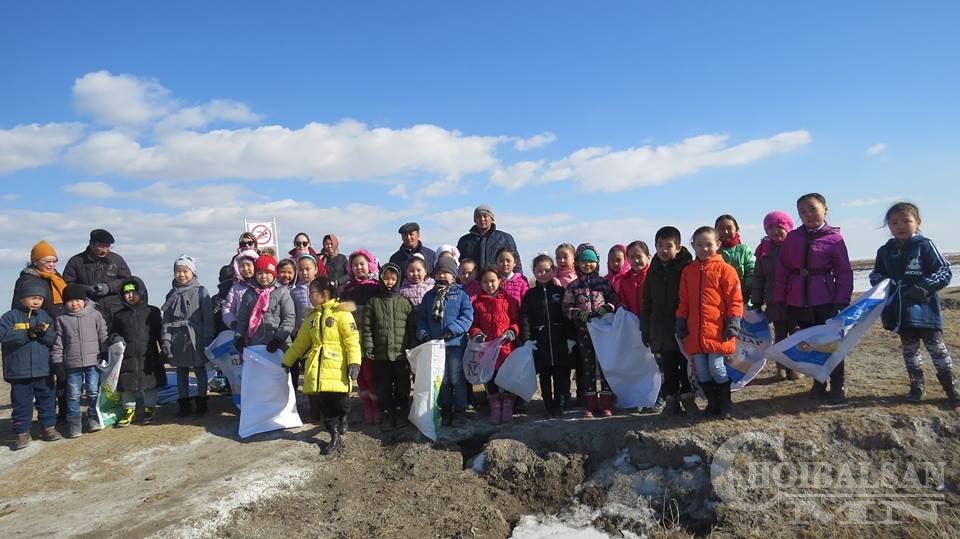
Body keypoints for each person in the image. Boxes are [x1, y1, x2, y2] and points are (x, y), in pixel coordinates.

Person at [870, 202, 958, 408]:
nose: (900, 226)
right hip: (900, 312)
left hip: (925, 310)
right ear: (888, 226)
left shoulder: (925, 245)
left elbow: (944, 271)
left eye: (906, 221)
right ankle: (917, 387)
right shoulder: (885, 251)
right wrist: (883, 284)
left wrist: (924, 287)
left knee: (937, 348)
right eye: (894, 222)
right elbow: (877, 273)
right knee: (909, 350)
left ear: (918, 222)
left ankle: (951, 387)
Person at [774, 193, 853, 403]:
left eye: (812, 208)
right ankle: (819, 383)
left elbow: (844, 272)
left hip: (825, 299)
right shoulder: (793, 237)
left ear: (825, 209)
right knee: (812, 344)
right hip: (799, 300)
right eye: (802, 211)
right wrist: (780, 298)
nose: (808, 214)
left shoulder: (835, 238)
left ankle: (838, 385)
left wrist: (842, 299)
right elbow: (782, 269)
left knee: (831, 344)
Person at [282, 276, 361, 455]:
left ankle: (344, 415)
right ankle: (334, 437)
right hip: (318, 368)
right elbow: (300, 343)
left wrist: (354, 361)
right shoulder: (312, 318)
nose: (309, 296)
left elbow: (352, 340)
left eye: (312, 293)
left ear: (323, 295)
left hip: (338, 367)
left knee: (341, 401)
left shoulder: (342, 314)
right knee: (325, 404)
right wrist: (288, 360)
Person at [676, 226, 743, 420]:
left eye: (709, 244)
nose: (704, 249)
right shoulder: (688, 271)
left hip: (717, 330)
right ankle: (712, 404)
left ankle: (726, 403)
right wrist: (681, 320)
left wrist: (734, 321)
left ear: (718, 245)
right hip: (695, 331)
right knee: (702, 370)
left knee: (716, 367)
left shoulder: (726, 270)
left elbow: (734, 299)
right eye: (699, 245)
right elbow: (684, 300)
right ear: (693, 246)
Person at [640, 227, 697, 417]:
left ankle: (689, 401)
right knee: (668, 369)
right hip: (660, 330)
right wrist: (645, 328)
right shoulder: (652, 271)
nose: (664, 250)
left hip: (682, 328)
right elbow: (647, 302)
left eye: (669, 246)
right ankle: (671, 402)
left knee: (685, 368)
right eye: (659, 246)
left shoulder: (687, 268)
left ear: (678, 247)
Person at [1, 279, 61, 450]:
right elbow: (4, 337)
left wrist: (43, 335)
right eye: (33, 297)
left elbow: (55, 339)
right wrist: (26, 334)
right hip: (19, 372)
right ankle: (22, 433)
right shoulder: (10, 317)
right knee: (21, 403)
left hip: (44, 370)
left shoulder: (45, 317)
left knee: (47, 400)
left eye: (40, 298)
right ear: (22, 298)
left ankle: (48, 428)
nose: (36, 301)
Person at [416, 257, 475, 426]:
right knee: (442, 379)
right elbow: (421, 318)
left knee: (457, 378)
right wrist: (424, 333)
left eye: (446, 272)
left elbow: (467, 317)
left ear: (454, 275)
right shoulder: (429, 296)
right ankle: (446, 408)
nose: (442, 275)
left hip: (455, 344)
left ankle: (460, 409)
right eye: (439, 272)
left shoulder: (461, 294)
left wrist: (452, 330)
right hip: (436, 346)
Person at [563, 244, 619, 418]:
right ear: (577, 263)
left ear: (597, 262)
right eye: (583, 261)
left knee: (604, 366)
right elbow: (566, 307)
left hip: (604, 333)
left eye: (591, 261)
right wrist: (579, 314)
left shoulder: (604, 283)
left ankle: (607, 403)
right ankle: (590, 404)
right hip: (584, 332)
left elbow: (615, 301)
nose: (587, 265)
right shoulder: (573, 286)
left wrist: (607, 308)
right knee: (588, 367)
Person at [362, 263, 415, 431]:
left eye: (393, 278)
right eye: (386, 278)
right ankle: (386, 413)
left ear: (398, 279)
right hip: (381, 355)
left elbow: (411, 328)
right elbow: (367, 327)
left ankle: (401, 412)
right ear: (380, 278)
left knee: (402, 386)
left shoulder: (405, 303)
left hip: (401, 355)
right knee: (383, 386)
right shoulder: (373, 302)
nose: (389, 282)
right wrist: (369, 346)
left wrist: (411, 348)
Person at [161, 255, 215, 418]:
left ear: (193, 272)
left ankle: (202, 402)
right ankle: (184, 403)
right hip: (177, 338)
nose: (181, 275)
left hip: (196, 337)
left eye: (185, 271)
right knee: (181, 372)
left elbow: (208, 318)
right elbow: (166, 320)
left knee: (200, 370)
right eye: (178, 271)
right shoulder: (171, 294)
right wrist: (166, 339)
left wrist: (207, 339)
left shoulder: (201, 291)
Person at [51, 283, 108, 437]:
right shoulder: (62, 319)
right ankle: (74, 422)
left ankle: (92, 418)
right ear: (65, 303)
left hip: (93, 361)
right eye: (70, 301)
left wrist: (105, 352)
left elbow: (103, 335)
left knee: (93, 391)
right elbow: (58, 343)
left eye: (78, 300)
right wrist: (57, 362)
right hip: (72, 363)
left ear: (84, 300)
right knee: (73, 394)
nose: (74, 304)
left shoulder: (95, 315)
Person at [520, 254, 572, 418]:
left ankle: (560, 403)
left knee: (561, 374)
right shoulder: (530, 295)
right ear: (534, 272)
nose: (543, 273)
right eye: (539, 270)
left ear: (553, 270)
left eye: (547, 270)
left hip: (560, 340)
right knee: (544, 375)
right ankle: (548, 404)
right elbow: (525, 317)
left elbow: (568, 316)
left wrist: (570, 338)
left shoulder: (561, 291)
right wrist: (527, 339)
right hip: (540, 342)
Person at [751, 211, 800, 381]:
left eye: (779, 227)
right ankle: (781, 368)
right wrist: (756, 300)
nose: (775, 231)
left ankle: (795, 367)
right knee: (780, 334)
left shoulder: (796, 246)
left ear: (788, 227)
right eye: (770, 228)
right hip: (774, 299)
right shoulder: (763, 250)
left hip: (795, 298)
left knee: (795, 333)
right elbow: (758, 276)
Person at [109, 277, 165, 426]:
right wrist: (116, 339)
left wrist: (164, 349)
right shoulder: (119, 315)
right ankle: (129, 410)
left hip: (149, 355)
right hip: (127, 357)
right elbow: (112, 332)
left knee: (150, 383)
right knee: (127, 384)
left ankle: (150, 409)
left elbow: (160, 332)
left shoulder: (152, 311)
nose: (130, 296)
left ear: (142, 292)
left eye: (134, 292)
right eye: (126, 293)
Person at [469, 266, 520, 425]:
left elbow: (516, 320)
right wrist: (476, 334)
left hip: (506, 347)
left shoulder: (509, 300)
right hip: (488, 348)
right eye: (485, 282)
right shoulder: (478, 303)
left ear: (499, 281)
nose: (489, 284)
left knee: (508, 376)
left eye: (492, 281)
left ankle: (508, 406)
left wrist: (513, 331)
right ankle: (495, 406)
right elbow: (473, 324)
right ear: (481, 283)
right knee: (490, 376)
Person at [339, 250, 381, 423]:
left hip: (371, 336)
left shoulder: (376, 286)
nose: (359, 267)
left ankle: (377, 406)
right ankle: (366, 405)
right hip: (353, 337)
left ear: (370, 264)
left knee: (372, 374)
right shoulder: (346, 289)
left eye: (362, 264)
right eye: (355, 265)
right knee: (360, 375)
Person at [62, 228, 133, 325]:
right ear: (91, 244)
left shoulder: (117, 260)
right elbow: (68, 284)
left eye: (108, 247)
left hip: (115, 310)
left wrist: (109, 287)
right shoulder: (76, 261)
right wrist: (87, 289)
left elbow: (127, 280)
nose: (105, 250)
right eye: (101, 246)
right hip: (87, 311)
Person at [234, 254, 296, 356]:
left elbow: (289, 318)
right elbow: (242, 319)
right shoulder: (249, 294)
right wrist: (239, 337)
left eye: (267, 273)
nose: (263, 276)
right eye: (259, 273)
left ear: (274, 273)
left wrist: (278, 339)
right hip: (256, 345)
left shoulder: (281, 292)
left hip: (279, 345)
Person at [456, 205, 523, 275]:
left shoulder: (505, 238)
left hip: (499, 282)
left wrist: (519, 280)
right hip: (472, 283)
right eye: (478, 216)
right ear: (475, 220)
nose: (482, 219)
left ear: (492, 218)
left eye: (485, 216)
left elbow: (516, 263)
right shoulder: (465, 240)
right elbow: (458, 263)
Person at [12, 240, 67, 318]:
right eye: (47, 261)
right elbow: (17, 306)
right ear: (35, 262)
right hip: (39, 324)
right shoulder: (26, 280)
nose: (51, 265)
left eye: (54, 261)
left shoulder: (58, 278)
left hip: (62, 322)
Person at [715, 214, 755, 304]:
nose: (725, 231)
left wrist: (745, 291)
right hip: (718, 300)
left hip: (743, 299)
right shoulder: (713, 251)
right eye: (721, 228)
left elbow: (751, 271)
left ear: (736, 230)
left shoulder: (744, 250)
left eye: (729, 228)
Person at [221, 249, 259, 330]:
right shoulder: (236, 288)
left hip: (261, 330)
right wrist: (233, 322)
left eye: (248, 265)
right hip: (242, 329)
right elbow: (228, 308)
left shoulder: (262, 287)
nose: (245, 269)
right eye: (242, 266)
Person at [618, 241, 651, 317]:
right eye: (632, 257)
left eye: (639, 256)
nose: (636, 260)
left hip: (652, 322)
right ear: (628, 259)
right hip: (632, 322)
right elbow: (621, 300)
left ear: (648, 257)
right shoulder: (624, 280)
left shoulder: (654, 276)